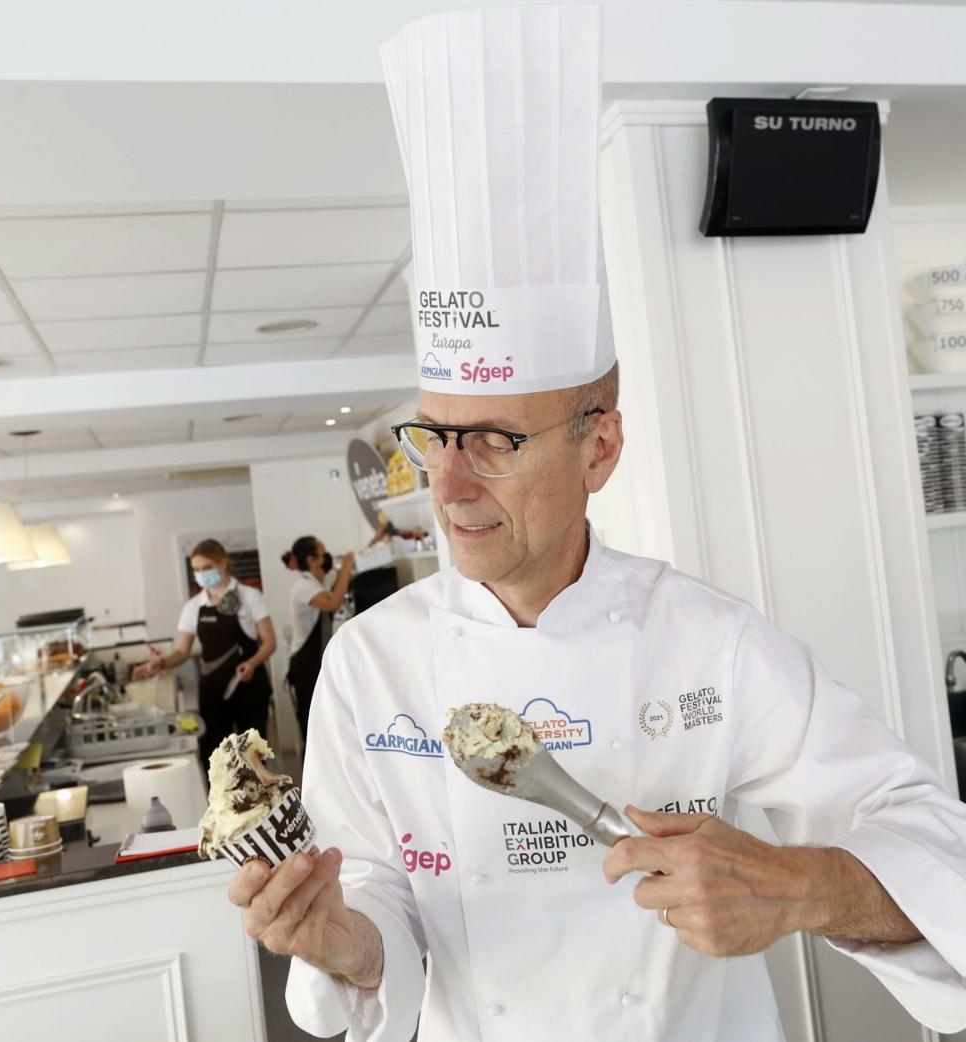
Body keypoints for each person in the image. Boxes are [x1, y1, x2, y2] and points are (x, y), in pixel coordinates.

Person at [225, 9, 966, 1042]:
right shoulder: (368, 663)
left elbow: (933, 832)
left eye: (495, 441)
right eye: (433, 437)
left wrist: (798, 886)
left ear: (600, 447)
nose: (448, 486)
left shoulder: (709, 641)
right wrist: (339, 938)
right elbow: (384, 898)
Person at [134, 539, 276, 765]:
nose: (201, 574)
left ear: (222, 564)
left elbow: (269, 642)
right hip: (214, 692)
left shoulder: (250, 597)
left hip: (250, 689)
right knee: (218, 761)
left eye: (206, 568)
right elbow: (181, 651)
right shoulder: (194, 606)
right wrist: (159, 663)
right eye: (196, 570)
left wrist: (253, 663)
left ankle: (256, 800)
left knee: (253, 760)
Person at [281, 536, 354, 739]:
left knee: (326, 723)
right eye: (323, 554)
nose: (327, 557)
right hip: (305, 665)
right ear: (312, 560)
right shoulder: (303, 586)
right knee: (312, 726)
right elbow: (332, 603)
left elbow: (340, 583)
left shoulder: (316, 582)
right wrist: (346, 567)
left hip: (315, 661)